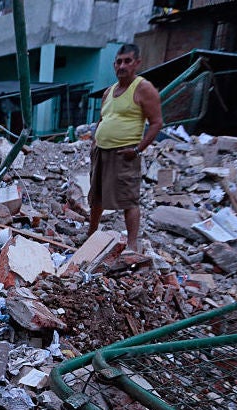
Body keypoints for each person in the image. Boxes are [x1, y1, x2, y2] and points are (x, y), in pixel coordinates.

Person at [88, 43, 163, 253]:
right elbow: (102, 119)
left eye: (127, 61)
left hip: (124, 152)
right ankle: (91, 234)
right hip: (101, 151)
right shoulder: (109, 92)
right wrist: (95, 141)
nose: (122, 66)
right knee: (96, 197)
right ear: (114, 65)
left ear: (137, 63)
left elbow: (157, 123)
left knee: (129, 199)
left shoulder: (143, 88)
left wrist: (138, 150)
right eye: (119, 61)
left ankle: (131, 245)